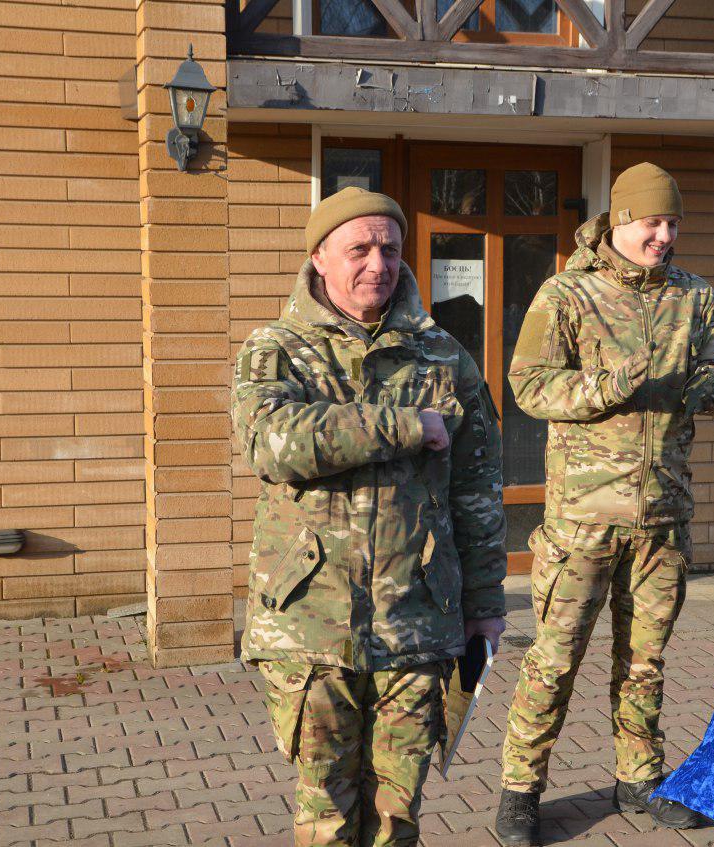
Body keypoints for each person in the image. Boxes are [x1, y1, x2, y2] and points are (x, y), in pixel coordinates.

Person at [231, 187, 508, 847]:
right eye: (359, 249)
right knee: (326, 817)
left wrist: (485, 604)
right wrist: (406, 425)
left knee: (396, 817)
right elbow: (273, 445)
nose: (377, 264)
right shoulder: (277, 350)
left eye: (390, 248)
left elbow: (477, 490)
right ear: (320, 257)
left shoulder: (443, 356)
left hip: (417, 620)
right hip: (309, 625)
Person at [494, 162, 714, 845]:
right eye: (652, 223)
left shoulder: (695, 296)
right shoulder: (568, 293)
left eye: (673, 224)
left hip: (663, 516)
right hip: (583, 519)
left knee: (645, 661)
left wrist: (699, 388)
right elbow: (529, 385)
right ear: (621, 221)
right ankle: (520, 789)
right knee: (554, 660)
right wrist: (608, 386)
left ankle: (639, 778)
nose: (664, 236)